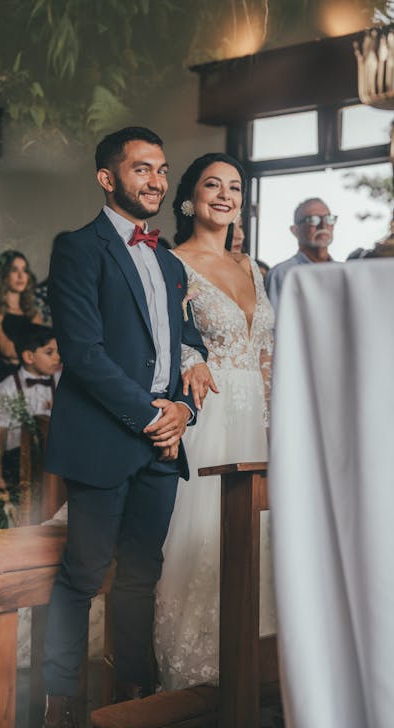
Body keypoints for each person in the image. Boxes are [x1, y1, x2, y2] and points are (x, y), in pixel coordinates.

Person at [38, 126, 207, 728]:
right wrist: (152, 416)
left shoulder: (167, 260)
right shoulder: (78, 249)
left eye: (161, 170)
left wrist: (183, 411)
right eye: (142, 169)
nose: (156, 181)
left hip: (162, 445)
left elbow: (188, 348)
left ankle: (132, 700)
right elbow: (83, 355)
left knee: (141, 574)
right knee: (82, 577)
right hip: (105, 441)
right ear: (108, 178)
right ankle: (59, 710)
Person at [153, 153, 275, 691]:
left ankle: (260, 662)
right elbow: (160, 335)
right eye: (212, 185)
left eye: (234, 187)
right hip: (208, 414)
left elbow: (268, 352)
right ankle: (193, 672)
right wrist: (188, 357)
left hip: (259, 420)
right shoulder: (170, 261)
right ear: (189, 197)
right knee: (202, 538)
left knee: (261, 539)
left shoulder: (255, 268)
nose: (224, 195)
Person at [0, 321, 61, 493]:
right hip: (18, 459)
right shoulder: (8, 387)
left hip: (54, 458)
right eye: (50, 353)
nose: (57, 357)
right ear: (29, 357)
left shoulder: (60, 381)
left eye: (58, 352)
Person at [0, 250, 41, 397]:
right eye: (14, 270)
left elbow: (44, 348)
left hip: (30, 379)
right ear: (3, 275)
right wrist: (34, 355)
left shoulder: (32, 313)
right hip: (2, 379)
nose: (21, 276)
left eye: (24, 270)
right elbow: (6, 349)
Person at [264, 197, 337, 311]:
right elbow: (275, 326)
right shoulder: (282, 274)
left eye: (328, 219)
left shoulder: (343, 272)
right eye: (313, 220)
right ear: (295, 230)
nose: (323, 225)